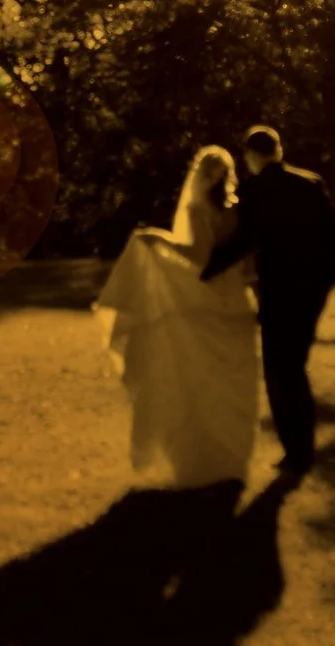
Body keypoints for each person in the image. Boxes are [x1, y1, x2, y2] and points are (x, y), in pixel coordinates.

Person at [92, 146, 262, 488]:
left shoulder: (199, 210)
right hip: (237, 302)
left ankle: (208, 457)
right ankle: (232, 458)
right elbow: (248, 262)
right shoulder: (238, 210)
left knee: (204, 382)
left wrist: (160, 240)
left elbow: (199, 257)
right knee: (234, 382)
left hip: (211, 302)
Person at [200, 125, 335, 476]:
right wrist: (322, 284)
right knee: (294, 367)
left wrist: (203, 271)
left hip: (280, 293)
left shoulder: (255, 190)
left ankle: (296, 453)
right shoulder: (311, 182)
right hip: (311, 293)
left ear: (251, 155)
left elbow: (243, 241)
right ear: (279, 150)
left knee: (281, 372)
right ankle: (301, 450)